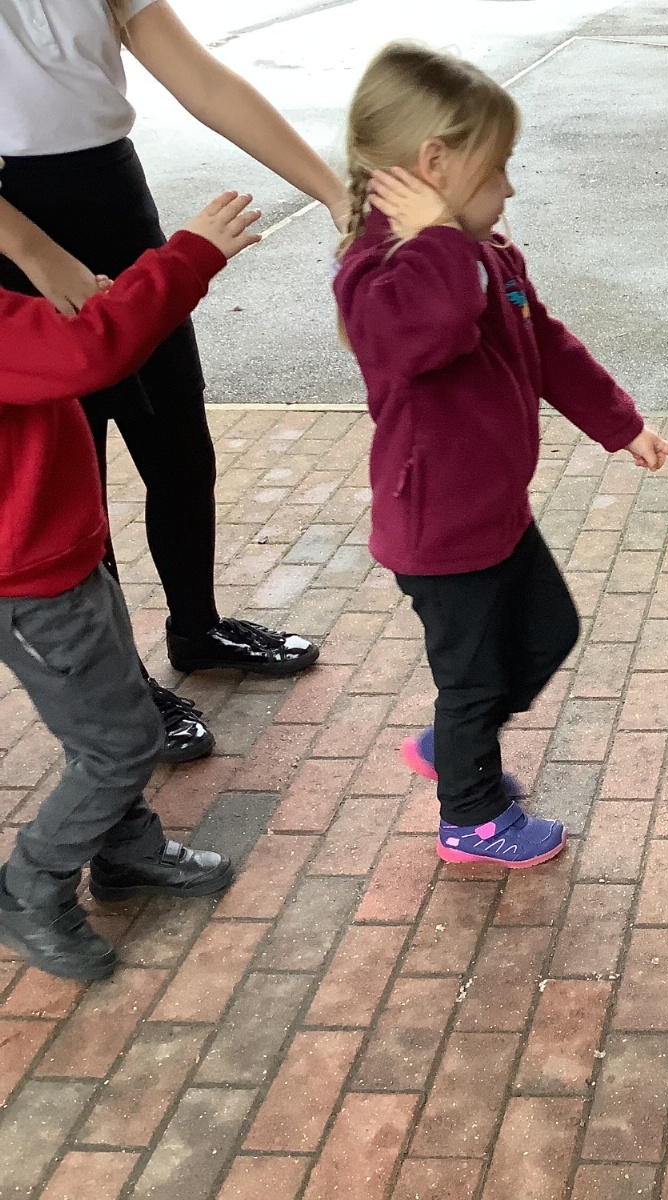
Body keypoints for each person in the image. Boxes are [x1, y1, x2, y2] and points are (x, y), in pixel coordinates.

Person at [333, 42, 668, 867]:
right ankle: (472, 817)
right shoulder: (378, 274)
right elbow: (433, 330)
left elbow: (546, 344)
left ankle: (458, 741)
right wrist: (439, 240)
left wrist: (621, 423)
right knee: (475, 679)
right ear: (435, 165)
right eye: (497, 170)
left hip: (494, 510)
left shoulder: (482, 252)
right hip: (439, 530)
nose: (510, 189)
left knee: (548, 632)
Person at [0, 0, 344, 764]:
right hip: (14, 230)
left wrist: (333, 190)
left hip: (113, 195)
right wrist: (33, 251)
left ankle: (198, 629)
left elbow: (204, 82)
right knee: (73, 474)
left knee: (179, 445)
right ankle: (120, 685)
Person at [0, 190, 261, 981]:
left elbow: (62, 342)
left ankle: (126, 850)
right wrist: (189, 256)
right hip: (32, 585)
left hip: (58, 561)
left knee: (107, 719)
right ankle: (30, 888)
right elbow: (88, 353)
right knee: (121, 743)